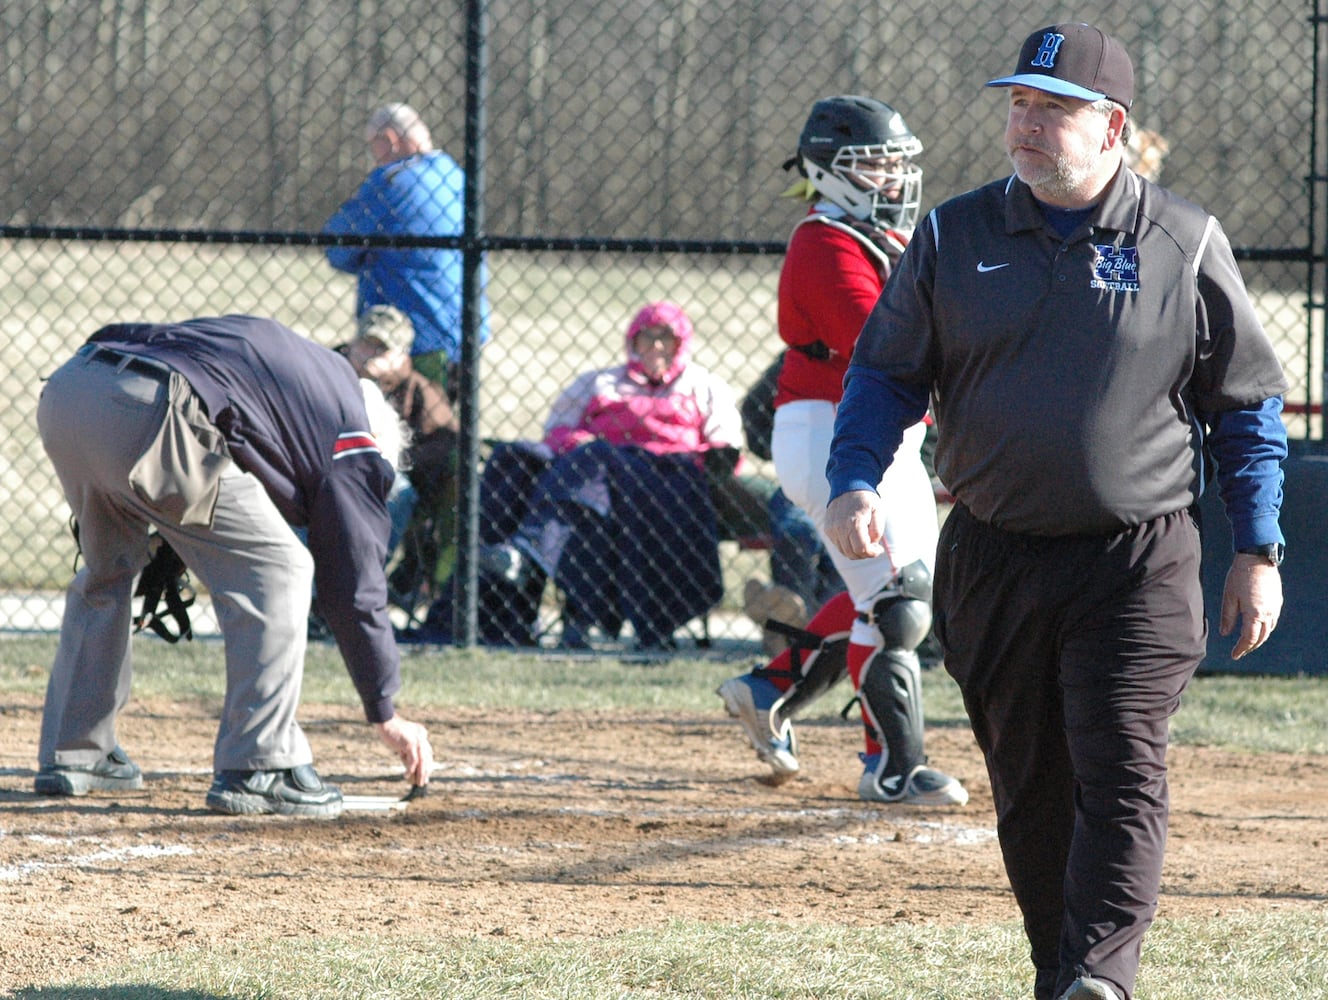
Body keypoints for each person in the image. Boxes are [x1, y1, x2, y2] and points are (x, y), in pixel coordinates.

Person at [823, 24, 1288, 1000]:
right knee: (1029, 787)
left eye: (1052, 108)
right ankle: (1061, 973)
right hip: (991, 554)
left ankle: (1100, 978)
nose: (1024, 124)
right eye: (1016, 104)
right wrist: (855, 476)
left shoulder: (1180, 239)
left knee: (1118, 763)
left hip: (1137, 558)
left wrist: (1257, 545)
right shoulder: (955, 236)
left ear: (1111, 125)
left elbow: (1243, 405)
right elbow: (882, 371)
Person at [34, 315, 436, 819]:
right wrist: (385, 710)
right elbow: (354, 585)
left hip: (73, 390)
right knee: (281, 567)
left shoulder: (306, 380)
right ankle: (259, 765)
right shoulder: (356, 436)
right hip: (153, 407)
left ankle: (76, 752)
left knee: (109, 571)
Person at [715, 95, 967, 807]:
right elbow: (883, 345)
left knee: (893, 595)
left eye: (895, 162)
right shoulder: (824, 241)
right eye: (874, 164)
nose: (891, 176)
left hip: (888, 435)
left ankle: (769, 688)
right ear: (830, 172)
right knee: (896, 603)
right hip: (833, 431)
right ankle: (892, 766)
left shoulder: (888, 237)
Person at [411, 300, 744, 650]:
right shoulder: (600, 382)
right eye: (647, 337)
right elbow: (557, 432)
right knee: (516, 461)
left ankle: (526, 552)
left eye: (666, 338)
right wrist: (584, 445)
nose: (656, 346)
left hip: (663, 479)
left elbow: (724, 450)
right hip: (590, 480)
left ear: (681, 344)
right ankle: (490, 614)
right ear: (633, 341)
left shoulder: (703, 385)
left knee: (597, 458)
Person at [324, 102, 489, 391]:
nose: (373, 156)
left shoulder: (391, 182)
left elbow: (338, 248)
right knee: (447, 425)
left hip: (408, 338)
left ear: (389, 140)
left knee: (402, 426)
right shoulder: (457, 178)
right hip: (466, 330)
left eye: (372, 145)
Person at [343, 305, 462, 607]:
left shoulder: (419, 391)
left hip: (382, 481)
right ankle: (315, 592)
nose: (369, 353)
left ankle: (357, 587)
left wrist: (393, 459)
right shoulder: (328, 370)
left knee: (399, 491)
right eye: (365, 343)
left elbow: (444, 445)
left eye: (381, 348)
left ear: (402, 357)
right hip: (321, 469)